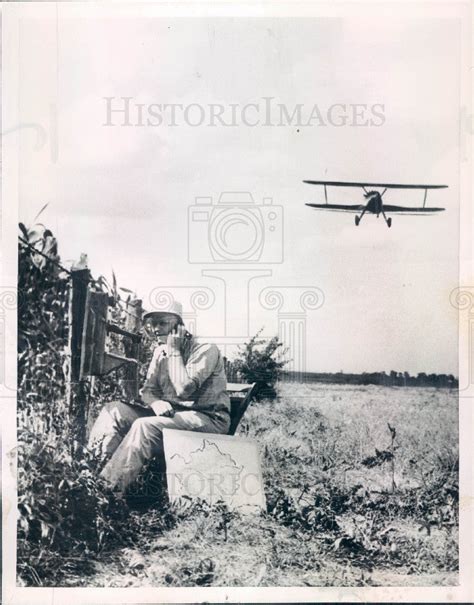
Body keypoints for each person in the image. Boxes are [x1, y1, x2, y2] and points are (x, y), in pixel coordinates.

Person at [88, 301, 230, 492]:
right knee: (113, 411)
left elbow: (183, 389)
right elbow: (148, 391)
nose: (155, 329)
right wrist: (155, 402)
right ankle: (90, 475)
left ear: (179, 326)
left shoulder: (204, 348)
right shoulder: (160, 351)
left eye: (162, 323)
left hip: (207, 419)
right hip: (171, 416)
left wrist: (173, 351)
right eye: (152, 324)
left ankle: (106, 493)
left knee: (144, 427)